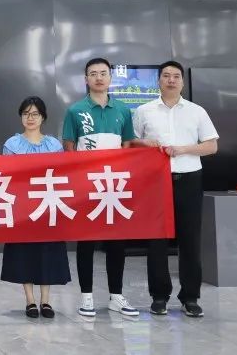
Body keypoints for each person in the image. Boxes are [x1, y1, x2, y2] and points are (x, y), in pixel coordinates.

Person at [134, 60, 218, 318]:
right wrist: (145, 144)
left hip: (189, 178)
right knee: (157, 240)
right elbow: (130, 143)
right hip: (155, 181)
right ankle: (159, 296)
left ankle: (190, 297)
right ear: (158, 80)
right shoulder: (144, 111)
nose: (171, 80)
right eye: (166, 76)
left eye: (176, 76)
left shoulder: (196, 111)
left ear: (182, 82)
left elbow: (211, 146)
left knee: (190, 240)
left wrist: (183, 149)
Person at [62, 57, 140, 318]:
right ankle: (86, 296)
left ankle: (116, 296)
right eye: (93, 73)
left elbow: (127, 145)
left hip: (114, 185)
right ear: (86, 79)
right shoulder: (75, 111)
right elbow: (69, 147)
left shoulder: (123, 110)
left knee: (117, 242)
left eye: (103, 73)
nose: (98, 77)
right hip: (86, 185)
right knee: (86, 242)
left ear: (110, 78)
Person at [0, 96, 71, 319]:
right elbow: (8, 176)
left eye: (35, 114)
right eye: (26, 114)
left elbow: (61, 174)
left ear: (43, 117)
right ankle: (30, 300)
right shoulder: (11, 145)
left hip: (48, 205)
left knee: (47, 252)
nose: (30, 118)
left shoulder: (54, 145)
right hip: (22, 207)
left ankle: (46, 300)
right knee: (25, 253)